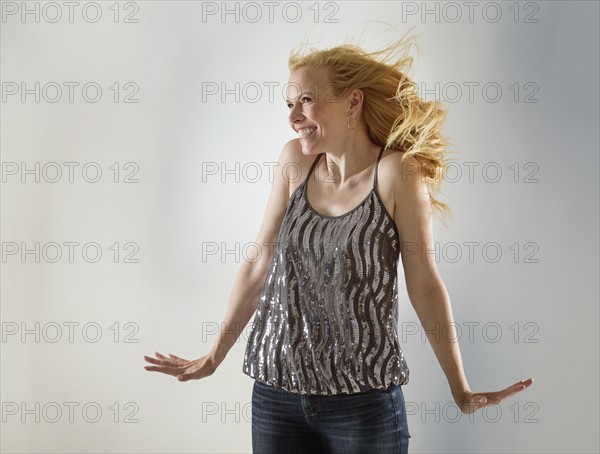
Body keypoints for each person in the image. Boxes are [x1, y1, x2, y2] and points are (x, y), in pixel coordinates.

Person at [144, 33, 534, 454]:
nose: (294, 116)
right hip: (277, 397)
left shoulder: (396, 174)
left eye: (307, 100)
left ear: (353, 102)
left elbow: (424, 285)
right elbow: (259, 264)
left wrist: (460, 389)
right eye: (289, 104)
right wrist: (214, 355)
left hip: (363, 405)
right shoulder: (295, 162)